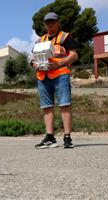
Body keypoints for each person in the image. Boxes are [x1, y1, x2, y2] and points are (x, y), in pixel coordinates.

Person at [31, 12, 78, 149]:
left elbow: (74, 55)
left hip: (60, 75)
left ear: (58, 23)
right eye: (47, 22)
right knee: (47, 108)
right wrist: (33, 64)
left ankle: (67, 137)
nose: (50, 24)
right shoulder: (39, 41)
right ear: (44, 25)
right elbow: (32, 58)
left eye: (52, 22)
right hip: (42, 77)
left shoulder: (65, 37)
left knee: (64, 105)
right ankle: (50, 138)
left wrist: (60, 63)